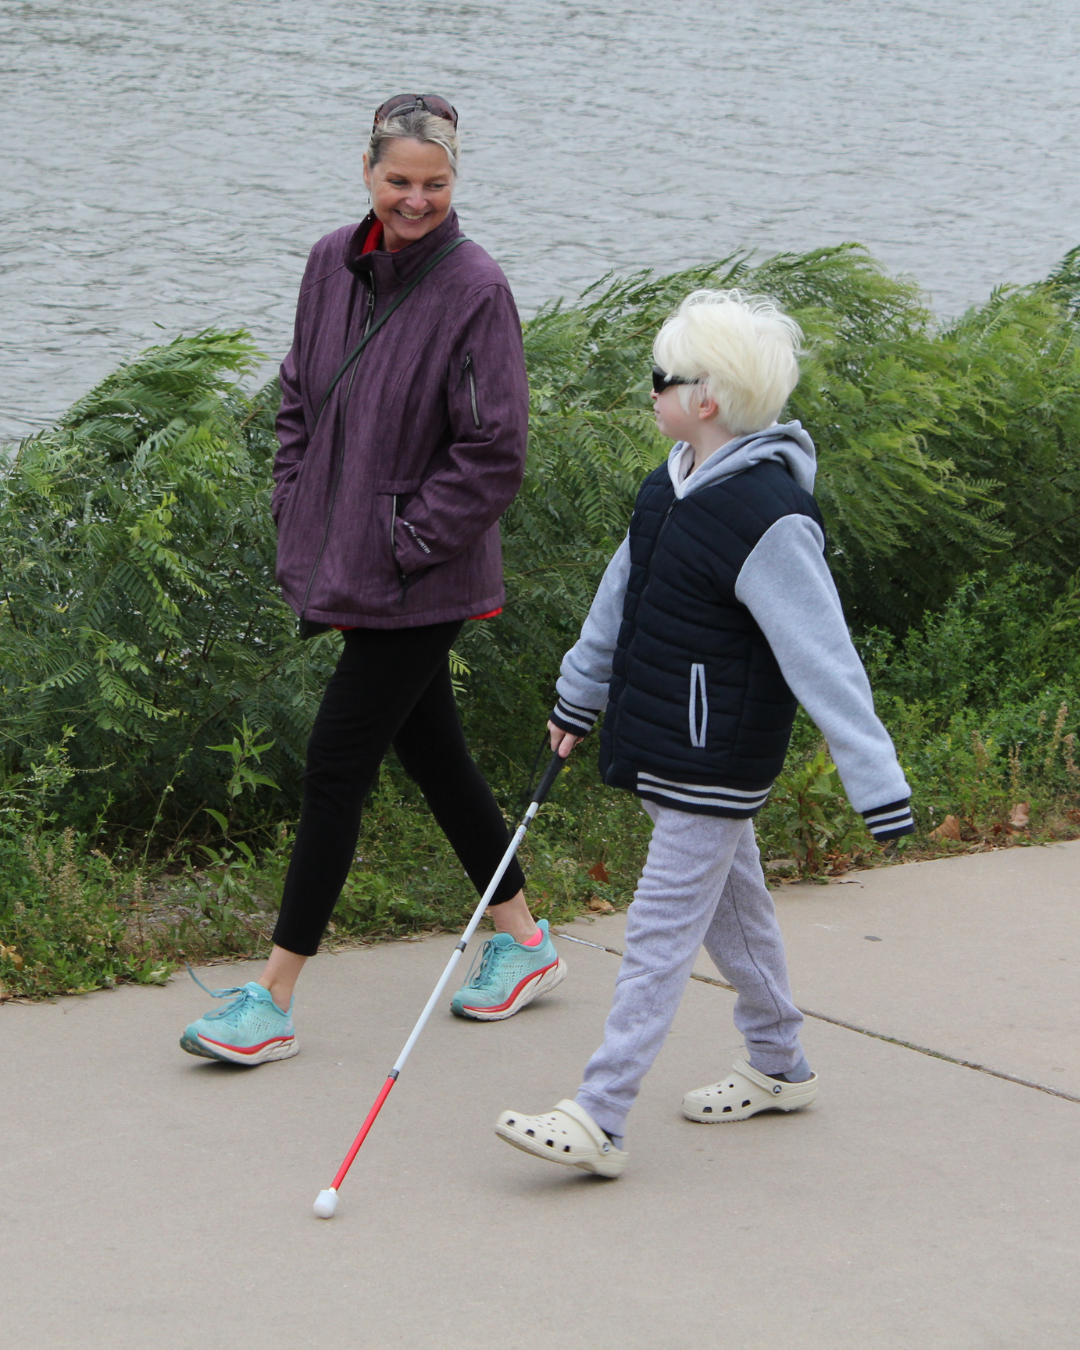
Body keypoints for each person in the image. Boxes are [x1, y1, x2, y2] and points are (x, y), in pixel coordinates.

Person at [180, 94, 565, 1065]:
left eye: (435, 184)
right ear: (366, 172)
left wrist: (398, 541)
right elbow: (299, 392)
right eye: (400, 181)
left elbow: (495, 450)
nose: (417, 200)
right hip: (350, 557)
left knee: (335, 763)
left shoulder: (475, 287)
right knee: (434, 753)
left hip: (421, 576)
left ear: (455, 182)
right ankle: (524, 943)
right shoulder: (327, 263)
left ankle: (271, 1001)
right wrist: (294, 499)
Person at [494, 289, 914, 1176]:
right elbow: (620, 600)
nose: (650, 391)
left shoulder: (769, 515)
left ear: (708, 397)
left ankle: (600, 1114)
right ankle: (779, 1062)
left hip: (715, 756)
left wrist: (875, 781)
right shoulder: (670, 485)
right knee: (738, 913)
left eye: (661, 378)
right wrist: (578, 697)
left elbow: (824, 656)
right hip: (664, 745)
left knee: (657, 931)